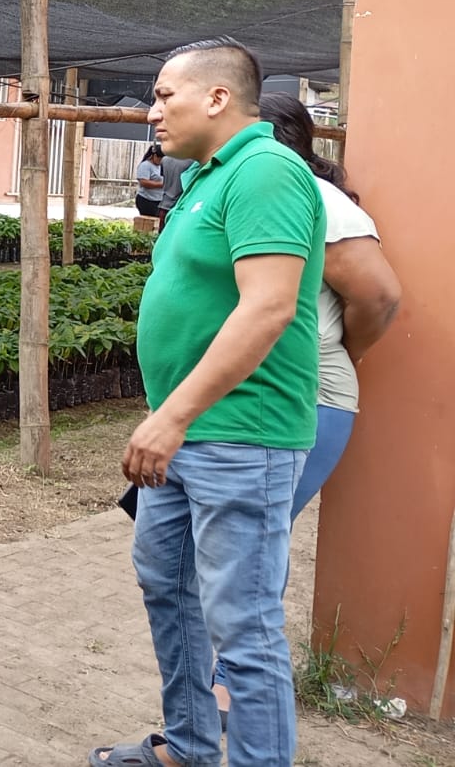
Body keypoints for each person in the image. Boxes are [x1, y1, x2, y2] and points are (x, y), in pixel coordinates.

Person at [92, 37, 326, 767]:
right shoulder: (203, 176)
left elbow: (268, 307)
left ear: (218, 97)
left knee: (244, 629)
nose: (152, 111)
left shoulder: (266, 172)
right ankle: (191, 745)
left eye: (165, 95)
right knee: (168, 587)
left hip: (240, 437)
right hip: (189, 435)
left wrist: (172, 416)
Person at [206, 93, 401, 721]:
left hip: (304, 391)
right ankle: (231, 680)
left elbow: (380, 297)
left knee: (252, 545)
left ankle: (237, 690)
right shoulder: (244, 188)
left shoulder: (317, 200)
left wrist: (335, 352)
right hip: (250, 393)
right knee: (238, 544)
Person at [157, 150, 192, 228]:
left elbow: (163, 176)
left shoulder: (164, 159)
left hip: (164, 204)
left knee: (162, 232)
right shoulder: (192, 162)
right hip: (181, 205)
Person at [135, 143, 165, 217]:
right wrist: (161, 184)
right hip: (147, 200)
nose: (161, 161)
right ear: (154, 156)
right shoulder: (145, 165)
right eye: (160, 158)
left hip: (159, 200)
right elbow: (143, 182)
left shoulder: (161, 166)